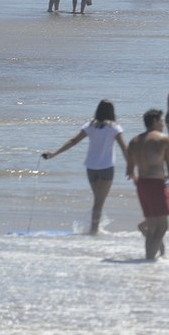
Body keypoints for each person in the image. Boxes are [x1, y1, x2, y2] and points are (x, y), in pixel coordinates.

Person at [42, 99, 128, 235]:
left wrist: (54, 154)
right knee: (99, 201)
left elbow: (73, 141)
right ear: (111, 112)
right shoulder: (114, 128)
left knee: (97, 200)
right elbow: (124, 148)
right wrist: (131, 166)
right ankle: (94, 231)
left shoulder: (90, 126)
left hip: (91, 168)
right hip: (106, 168)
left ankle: (94, 228)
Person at [126, 109, 169, 260]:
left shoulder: (134, 141)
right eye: (161, 121)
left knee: (153, 225)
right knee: (161, 226)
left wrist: (140, 183)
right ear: (154, 121)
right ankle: (149, 260)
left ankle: (150, 258)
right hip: (156, 183)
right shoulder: (163, 139)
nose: (163, 124)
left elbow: (129, 171)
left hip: (142, 184)